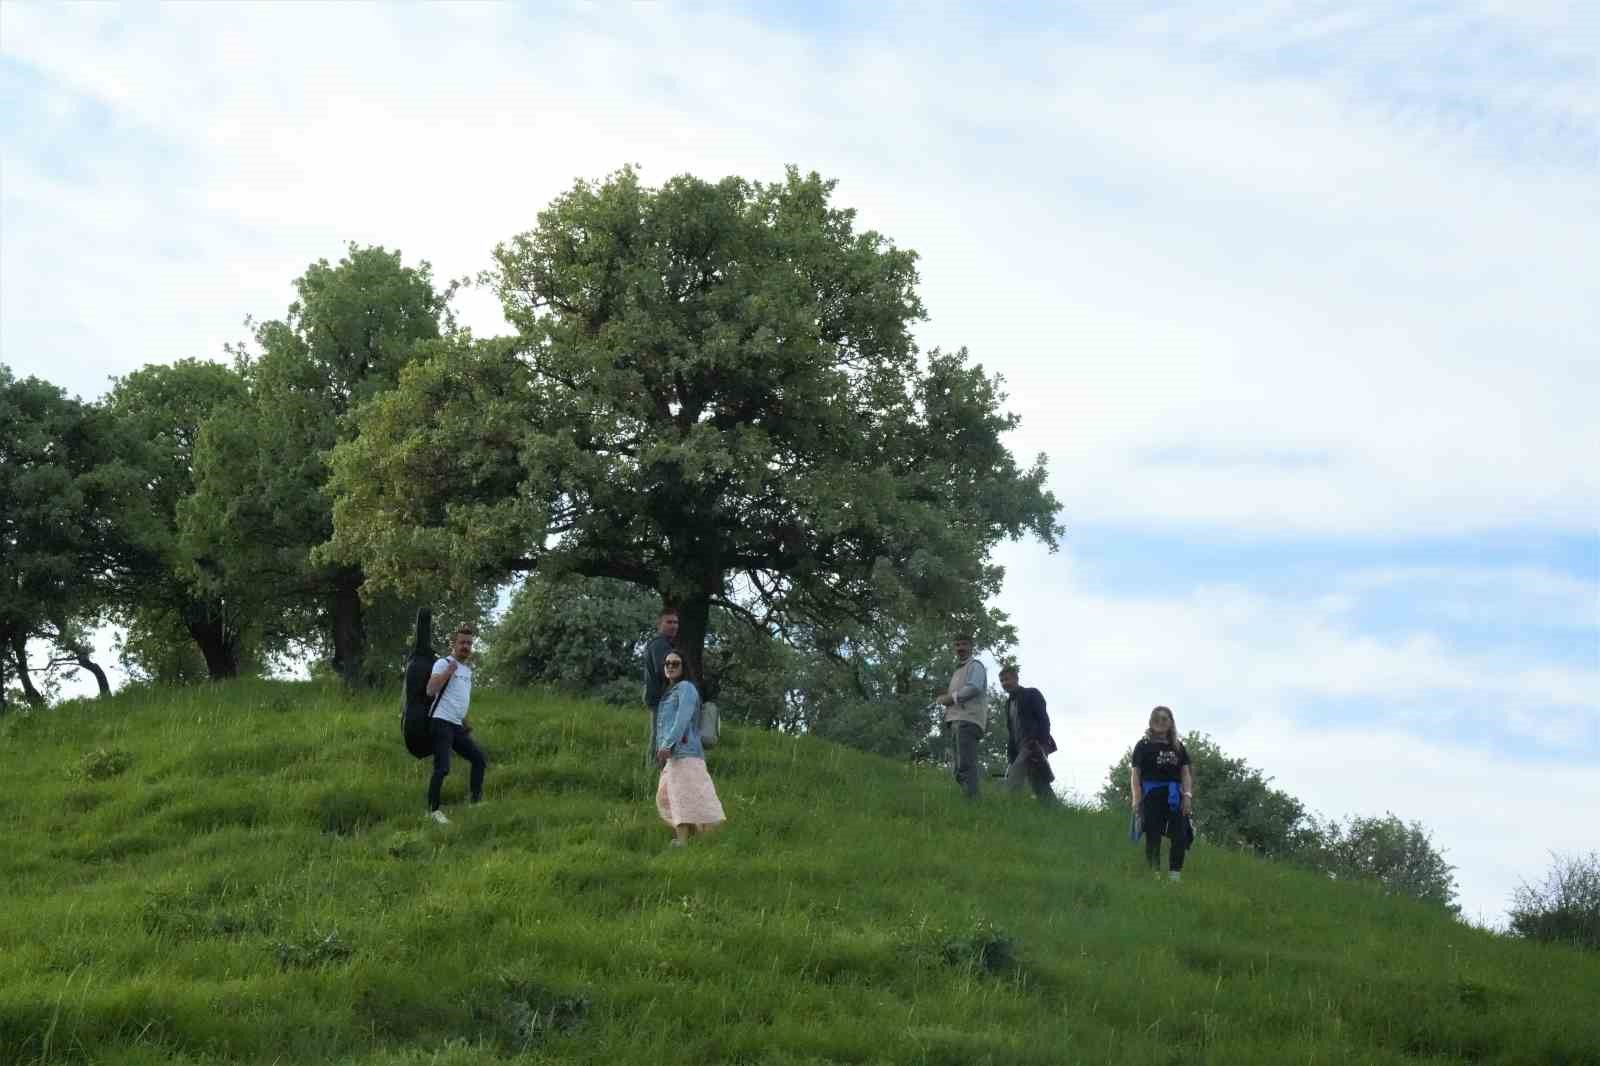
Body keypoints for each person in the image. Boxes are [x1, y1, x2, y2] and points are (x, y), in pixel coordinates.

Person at [654, 652, 725, 846]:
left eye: (675, 663)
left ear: (684, 667)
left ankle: (683, 841)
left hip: (685, 753)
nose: (670, 666)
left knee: (681, 796)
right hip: (675, 755)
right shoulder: (671, 691)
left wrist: (668, 745)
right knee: (668, 795)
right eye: (667, 663)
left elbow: (682, 719)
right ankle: (696, 837)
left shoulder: (686, 688)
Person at [424, 624, 488, 825]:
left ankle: (475, 802)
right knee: (442, 768)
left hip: (456, 724)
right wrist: (448, 673)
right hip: (440, 722)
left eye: (469, 643)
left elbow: (457, 698)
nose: (466, 646)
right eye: (462, 642)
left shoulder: (467, 671)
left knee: (479, 759)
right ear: (454, 643)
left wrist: (464, 720)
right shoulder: (443, 663)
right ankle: (432, 811)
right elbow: (430, 690)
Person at [1128, 705, 1193, 880]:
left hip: (1174, 795)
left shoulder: (1178, 747)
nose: (1160, 722)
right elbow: (1136, 774)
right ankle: (1154, 875)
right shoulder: (1143, 745)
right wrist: (1136, 798)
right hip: (1151, 794)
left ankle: (1175, 877)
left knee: (1180, 835)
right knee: (1153, 834)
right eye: (1157, 718)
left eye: (1165, 719)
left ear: (1171, 723)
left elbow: (1185, 773)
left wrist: (1187, 796)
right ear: (1151, 722)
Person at [936, 635, 988, 799]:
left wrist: (950, 698)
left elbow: (974, 688)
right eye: (957, 644)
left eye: (964, 644)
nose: (960, 648)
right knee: (958, 767)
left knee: (965, 764)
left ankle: (973, 801)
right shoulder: (958, 670)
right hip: (956, 720)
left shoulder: (975, 666)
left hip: (968, 720)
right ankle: (968, 798)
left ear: (972, 646)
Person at [999, 666, 1057, 802]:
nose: (1004, 683)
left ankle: (1008, 808)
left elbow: (1044, 719)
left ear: (1016, 678)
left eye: (1007, 679)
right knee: (1039, 784)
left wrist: (1041, 744)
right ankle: (1056, 811)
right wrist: (1011, 756)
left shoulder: (1031, 693)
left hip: (1033, 745)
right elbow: (1012, 731)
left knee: (1013, 779)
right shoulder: (1008, 704)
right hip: (1019, 749)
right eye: (1001, 681)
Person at [642, 607, 680, 766]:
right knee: (660, 736)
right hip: (660, 697)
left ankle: (657, 769)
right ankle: (655, 769)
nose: (673, 626)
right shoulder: (660, 645)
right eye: (669, 622)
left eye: (676, 622)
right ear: (660, 624)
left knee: (661, 735)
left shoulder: (666, 644)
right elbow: (665, 671)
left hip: (661, 697)